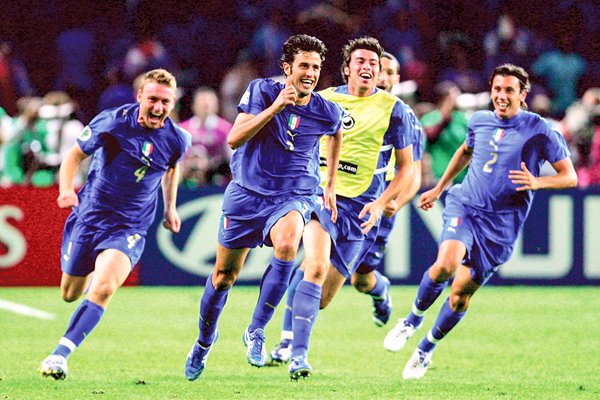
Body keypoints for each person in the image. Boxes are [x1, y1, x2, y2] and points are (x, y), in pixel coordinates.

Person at [383, 64, 577, 380]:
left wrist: (537, 182)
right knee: (446, 264)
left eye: (509, 90)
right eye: (497, 89)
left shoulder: (539, 129)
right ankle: (411, 320)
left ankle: (425, 349)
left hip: (501, 226)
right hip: (467, 205)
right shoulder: (480, 120)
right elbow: (465, 151)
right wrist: (440, 187)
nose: (501, 96)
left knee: (460, 295)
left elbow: (569, 177)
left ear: (522, 94)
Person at [184, 34, 344, 381]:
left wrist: (329, 181)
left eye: (316, 67)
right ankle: (203, 342)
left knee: (288, 243)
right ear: (287, 67)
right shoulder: (261, 92)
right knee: (224, 276)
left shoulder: (326, 110)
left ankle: (256, 329)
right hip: (246, 193)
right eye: (304, 65)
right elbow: (234, 138)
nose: (310, 73)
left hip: (293, 194)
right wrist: (276, 108)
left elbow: (336, 134)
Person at [268, 37, 419, 380]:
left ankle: (380, 291)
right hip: (321, 199)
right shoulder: (325, 100)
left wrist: (382, 203)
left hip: (363, 211)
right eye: (361, 61)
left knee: (324, 296)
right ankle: (298, 356)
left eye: (373, 63)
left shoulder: (395, 110)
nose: (368, 67)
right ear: (347, 67)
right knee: (314, 266)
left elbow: (408, 168)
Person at [38, 69, 190, 380]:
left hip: (129, 227)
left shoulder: (177, 139)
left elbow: (172, 169)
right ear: (139, 98)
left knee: (104, 287)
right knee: (69, 292)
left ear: (173, 103)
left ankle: (60, 355)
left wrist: (170, 208)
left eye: (165, 102)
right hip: (90, 217)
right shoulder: (113, 121)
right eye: (152, 100)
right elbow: (73, 156)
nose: (158, 108)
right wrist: (67, 190)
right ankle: (93, 266)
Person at [350, 51, 424, 327]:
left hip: (380, 209)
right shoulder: (349, 107)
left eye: (391, 72)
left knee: (361, 279)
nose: (384, 76)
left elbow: (413, 175)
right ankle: (288, 342)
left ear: (397, 79)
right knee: (313, 264)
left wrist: (394, 202)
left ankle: (380, 290)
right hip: (347, 199)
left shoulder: (405, 119)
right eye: (380, 70)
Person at [178, 87, 233, 187]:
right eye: (202, 103)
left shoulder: (225, 129)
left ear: (216, 106)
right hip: (186, 180)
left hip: (216, 181)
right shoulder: (182, 129)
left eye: (209, 103)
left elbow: (233, 160)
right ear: (194, 106)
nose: (206, 106)